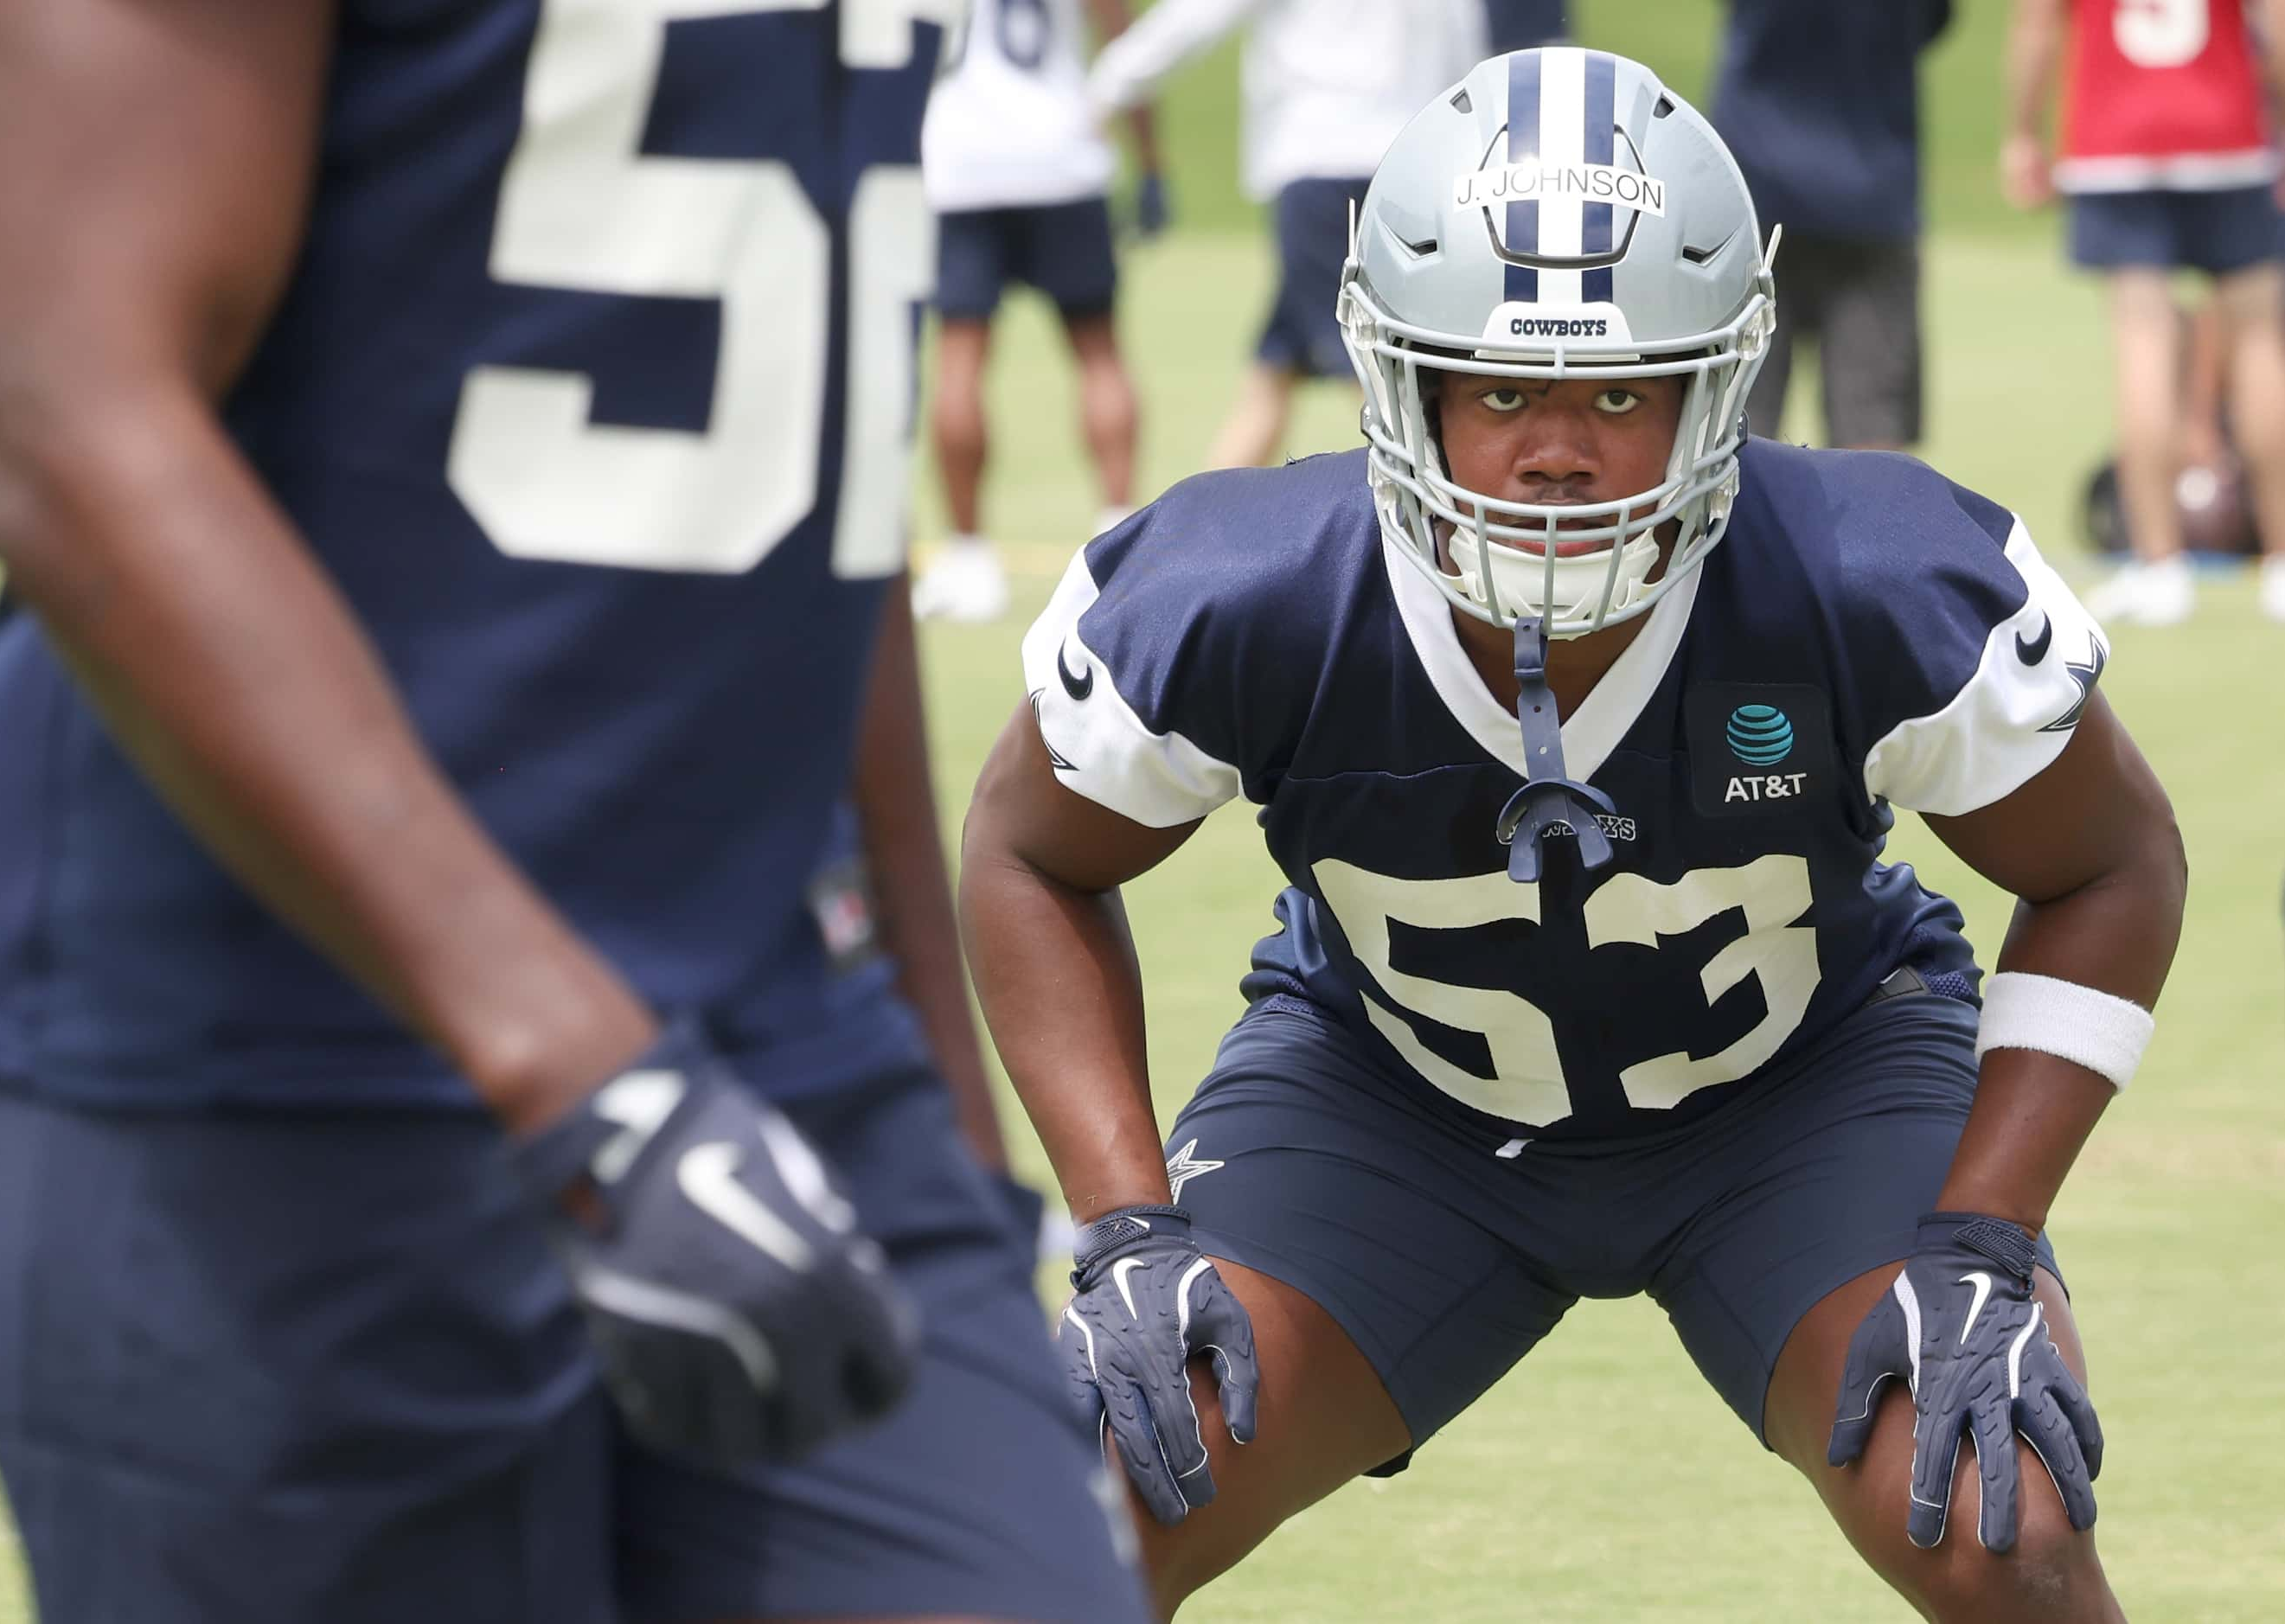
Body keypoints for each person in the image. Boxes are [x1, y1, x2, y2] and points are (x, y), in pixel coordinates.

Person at [963, 47, 2184, 1621]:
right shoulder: (1243, 595)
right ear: (1396, 380)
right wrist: (1125, 1221)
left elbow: (2108, 858)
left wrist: (1985, 1230)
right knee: (1073, 1512)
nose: (1558, 449)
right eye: (1497, 389)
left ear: (1716, 379)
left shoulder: (1857, 573)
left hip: (1796, 1086)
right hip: (1386, 1096)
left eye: (1621, 390)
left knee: (1993, 1516)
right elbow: (1022, 850)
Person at [0, 3, 1149, 1621]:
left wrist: (949, 1106)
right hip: (274, 1078)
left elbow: (803, 447)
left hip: (779, 1044)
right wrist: (580, 1071)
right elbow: (65, 404)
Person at [1088, 0, 1488, 469]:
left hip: (1317, 160)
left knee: (1376, 377)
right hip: (1405, 167)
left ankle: (1444, 497)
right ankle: (1199, 531)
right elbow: (1464, 46)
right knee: (1274, 373)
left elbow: (1196, 17)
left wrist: (1103, 90)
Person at [2006, 0, 2285, 624]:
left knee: (2142, 345)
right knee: (2261, 345)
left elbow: (2035, 23)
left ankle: (2159, 566)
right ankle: (2280, 561)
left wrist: (2022, 132)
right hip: (2228, 132)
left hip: (2115, 140)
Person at [914, 0, 1166, 624]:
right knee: (1098, 353)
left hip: (960, 161)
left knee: (959, 359)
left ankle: (970, 560)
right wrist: (1151, 157)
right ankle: (1120, 548)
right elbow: (1119, 36)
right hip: (1062, 154)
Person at [1712, 0, 1953, 451]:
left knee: (1737, 416)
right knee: (1872, 427)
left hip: (1752, 192)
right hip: (1872, 192)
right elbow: (1930, 23)